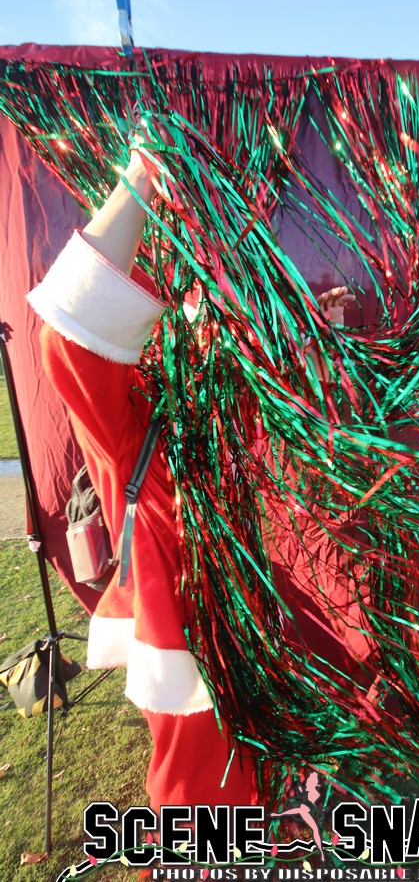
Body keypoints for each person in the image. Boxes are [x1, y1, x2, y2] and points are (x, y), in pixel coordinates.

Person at [26, 145, 356, 814]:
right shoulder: (134, 428)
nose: (219, 327)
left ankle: (279, 800)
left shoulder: (247, 408)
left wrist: (324, 342)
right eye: (203, 308)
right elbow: (65, 337)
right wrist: (140, 178)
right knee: (199, 779)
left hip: (264, 630)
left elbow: (323, 443)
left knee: (264, 740)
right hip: (183, 638)